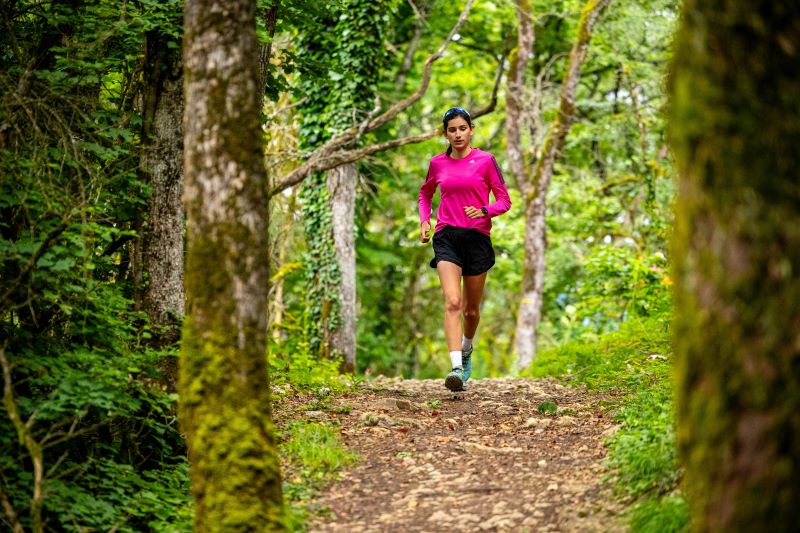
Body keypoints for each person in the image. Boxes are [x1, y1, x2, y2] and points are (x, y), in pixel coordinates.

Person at [418, 107, 511, 391]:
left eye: (462, 128)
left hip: (477, 238)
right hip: (446, 237)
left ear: (470, 130)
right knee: (452, 302)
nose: (457, 134)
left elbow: (504, 201)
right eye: (451, 130)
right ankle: (456, 368)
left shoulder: (485, 161)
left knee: (471, 311)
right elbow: (425, 193)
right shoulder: (437, 163)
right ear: (445, 134)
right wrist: (425, 220)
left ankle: (467, 348)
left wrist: (484, 210)